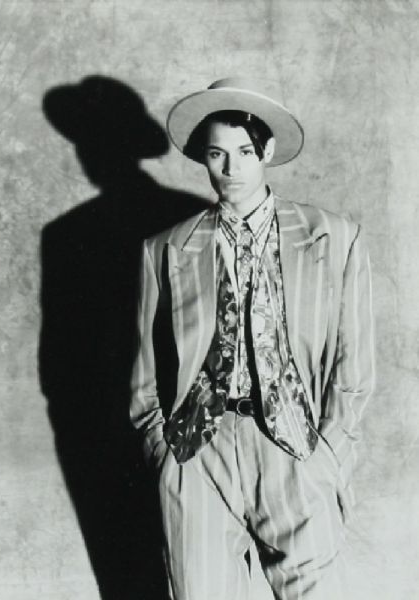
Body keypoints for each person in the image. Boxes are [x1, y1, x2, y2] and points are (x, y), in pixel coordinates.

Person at [130, 77, 375, 600]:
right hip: (198, 453)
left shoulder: (333, 237)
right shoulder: (165, 248)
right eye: (216, 154)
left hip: (296, 449)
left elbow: (354, 367)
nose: (230, 168)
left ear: (266, 151)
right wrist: (167, 458)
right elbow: (145, 379)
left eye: (244, 152)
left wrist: (328, 456)